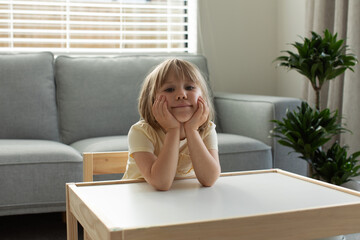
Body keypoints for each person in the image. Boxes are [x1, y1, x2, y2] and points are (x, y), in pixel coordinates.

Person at [122, 58, 221, 190]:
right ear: (152, 99)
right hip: (140, 200)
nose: (181, 95)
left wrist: (192, 130)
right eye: (169, 89)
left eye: (189, 87)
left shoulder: (206, 129)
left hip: (180, 200)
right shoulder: (141, 132)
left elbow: (209, 179)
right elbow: (161, 183)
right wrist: (173, 129)